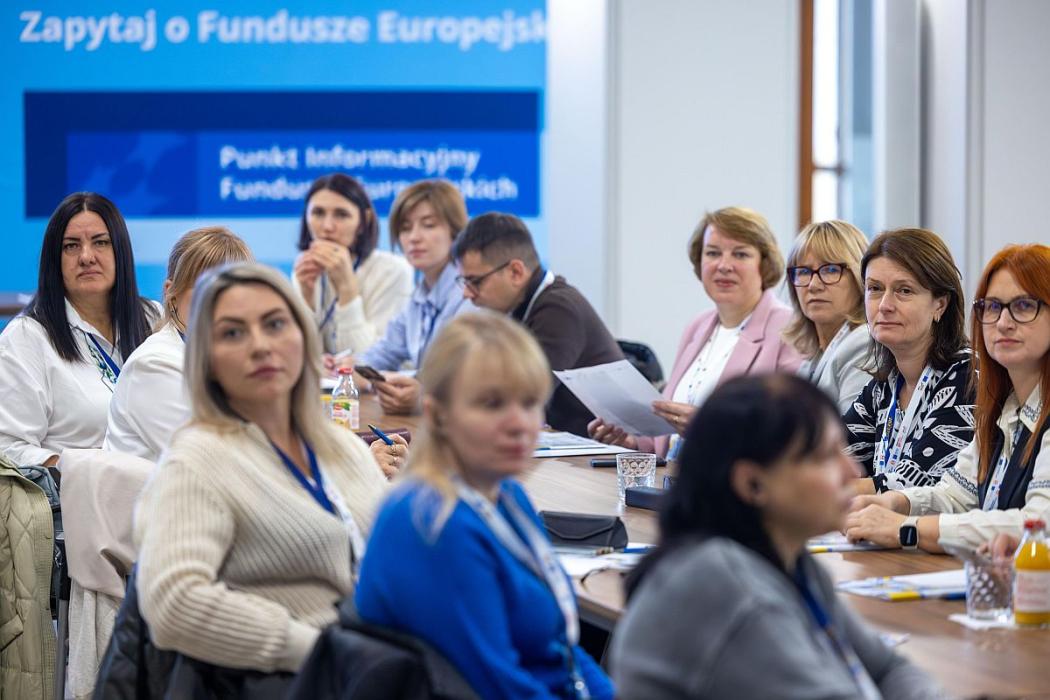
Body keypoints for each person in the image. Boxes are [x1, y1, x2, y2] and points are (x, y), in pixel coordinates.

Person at [610, 374, 944, 700]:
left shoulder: (790, 563)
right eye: (825, 457)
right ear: (752, 483)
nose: (852, 471)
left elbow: (887, 669)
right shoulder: (725, 588)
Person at [133, 263, 389, 673]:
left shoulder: (341, 446)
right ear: (206, 359)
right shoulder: (198, 458)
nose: (260, 346)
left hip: (380, 656)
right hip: (303, 674)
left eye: (275, 324)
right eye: (233, 333)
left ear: (303, 337)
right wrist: (318, 652)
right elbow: (173, 603)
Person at [355, 313, 614, 700]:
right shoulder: (429, 521)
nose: (519, 423)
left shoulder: (506, 495)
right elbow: (499, 687)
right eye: (492, 404)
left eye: (530, 403)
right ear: (437, 414)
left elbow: (562, 651)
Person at [845, 244, 1050, 552]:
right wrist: (896, 502)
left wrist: (906, 528)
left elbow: (1038, 524)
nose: (1003, 322)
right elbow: (956, 495)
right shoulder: (1004, 409)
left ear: (940, 305)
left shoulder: (967, 378)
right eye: (992, 307)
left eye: (1023, 306)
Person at [589, 206, 801, 457]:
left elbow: (790, 429)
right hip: (675, 475)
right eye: (713, 253)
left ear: (764, 265)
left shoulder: (788, 328)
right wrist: (632, 442)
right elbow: (667, 438)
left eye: (740, 254)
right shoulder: (698, 326)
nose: (724, 265)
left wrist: (709, 428)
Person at [0, 192, 158, 467]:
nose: (86, 257)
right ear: (55, 260)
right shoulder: (27, 337)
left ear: (120, 251)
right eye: (71, 246)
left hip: (163, 488)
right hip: (77, 493)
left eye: (100, 242)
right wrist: (84, 471)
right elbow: (8, 448)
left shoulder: (154, 318)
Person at [452, 212, 624, 436]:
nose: (466, 293)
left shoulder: (559, 309)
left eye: (474, 281)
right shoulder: (515, 308)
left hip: (603, 450)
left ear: (515, 272)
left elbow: (520, 395)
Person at [843, 228, 975, 493]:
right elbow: (828, 457)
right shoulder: (884, 387)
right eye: (875, 289)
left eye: (904, 290)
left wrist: (814, 491)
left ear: (940, 305)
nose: (884, 305)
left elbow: (921, 483)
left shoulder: (968, 376)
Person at [353, 180, 475, 414]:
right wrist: (350, 367)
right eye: (405, 228)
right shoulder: (419, 295)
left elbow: (468, 376)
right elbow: (384, 352)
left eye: (428, 225)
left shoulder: (470, 293)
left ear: (455, 231)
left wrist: (424, 394)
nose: (414, 238)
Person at [292, 173, 413, 356]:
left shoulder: (393, 270)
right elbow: (298, 357)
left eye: (341, 215)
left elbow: (369, 360)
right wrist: (306, 301)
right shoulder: (304, 267)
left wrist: (347, 290)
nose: (327, 226)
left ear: (364, 221)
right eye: (318, 213)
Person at [783, 220, 872, 413]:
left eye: (830, 270)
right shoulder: (813, 358)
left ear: (860, 278)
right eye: (803, 272)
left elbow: (850, 430)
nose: (813, 285)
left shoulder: (863, 343)